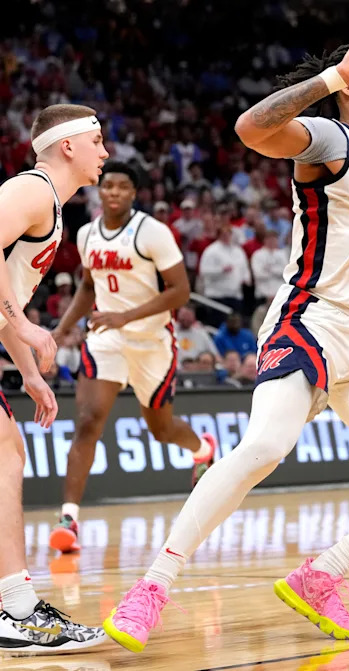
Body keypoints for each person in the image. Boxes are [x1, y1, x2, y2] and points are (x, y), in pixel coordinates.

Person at [104, 26, 349, 653]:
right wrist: (333, 76)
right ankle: (152, 586)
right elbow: (251, 129)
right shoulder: (328, 140)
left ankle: (322, 575)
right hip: (308, 321)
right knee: (262, 448)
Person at [48, 161, 218, 553]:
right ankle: (69, 519)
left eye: (123, 187)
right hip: (105, 339)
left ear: (134, 193)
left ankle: (203, 450)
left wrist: (125, 315)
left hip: (151, 342)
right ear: (99, 190)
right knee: (89, 422)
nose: (114, 192)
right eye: (108, 185)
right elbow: (88, 287)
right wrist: (61, 329)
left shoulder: (152, 232)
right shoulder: (88, 233)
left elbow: (180, 291)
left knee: (161, 430)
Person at [0, 103, 108, 652]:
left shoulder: (50, 206)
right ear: (69, 145)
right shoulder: (33, 190)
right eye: (98, 141)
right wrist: (26, 324)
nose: (106, 152)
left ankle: (14, 605)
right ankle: (14, 609)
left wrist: (28, 374)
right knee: (4, 455)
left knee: (6, 453)